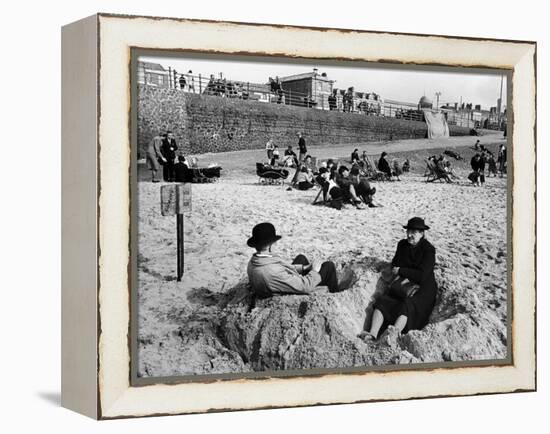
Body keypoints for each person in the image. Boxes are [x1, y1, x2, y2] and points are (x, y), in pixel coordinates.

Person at [358, 217, 437, 340]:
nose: (410, 235)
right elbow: (395, 263)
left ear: (422, 234)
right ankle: (373, 334)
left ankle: (392, 336)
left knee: (406, 305)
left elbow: (422, 276)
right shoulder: (402, 245)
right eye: (409, 231)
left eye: (414, 232)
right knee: (383, 301)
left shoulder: (428, 250)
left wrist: (402, 270)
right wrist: (401, 270)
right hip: (404, 284)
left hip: (423, 289)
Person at [246, 222, 356, 297]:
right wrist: (314, 271)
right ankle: (333, 296)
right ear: (271, 243)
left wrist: (304, 268)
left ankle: (308, 271)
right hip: (289, 292)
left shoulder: (254, 262)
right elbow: (304, 287)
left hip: (277, 283)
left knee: (301, 258)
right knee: (328, 266)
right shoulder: (271, 271)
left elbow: (279, 268)